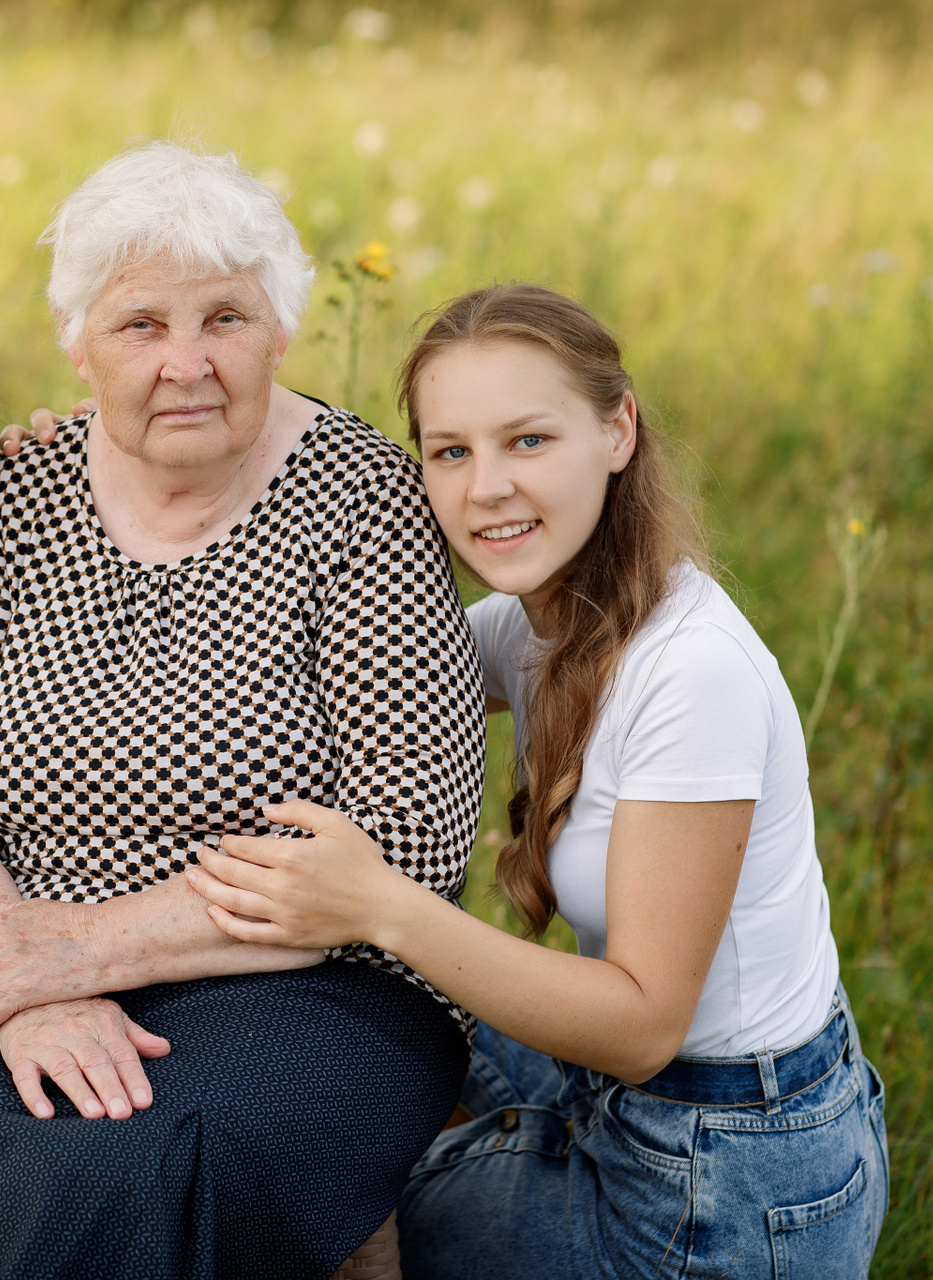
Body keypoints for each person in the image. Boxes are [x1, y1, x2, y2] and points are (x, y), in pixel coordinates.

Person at [0, 143, 488, 1280]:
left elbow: (411, 839)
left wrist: (88, 946)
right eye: (141, 324)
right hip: (7, 949)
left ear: (281, 331)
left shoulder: (365, 502)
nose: (185, 363)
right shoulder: (17, 495)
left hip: (310, 982)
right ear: (76, 340)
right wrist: (23, 991)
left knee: (131, 1174)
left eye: (226, 319)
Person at [180, 284, 890, 1278]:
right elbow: (306, 679)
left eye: (528, 440)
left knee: (328, 1214)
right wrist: (117, 452)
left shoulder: (692, 671)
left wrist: (379, 906)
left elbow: (641, 1026)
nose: (487, 488)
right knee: (353, 1058)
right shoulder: (540, 620)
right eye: (451, 452)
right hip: (637, 1095)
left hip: (723, 1175)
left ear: (618, 429)